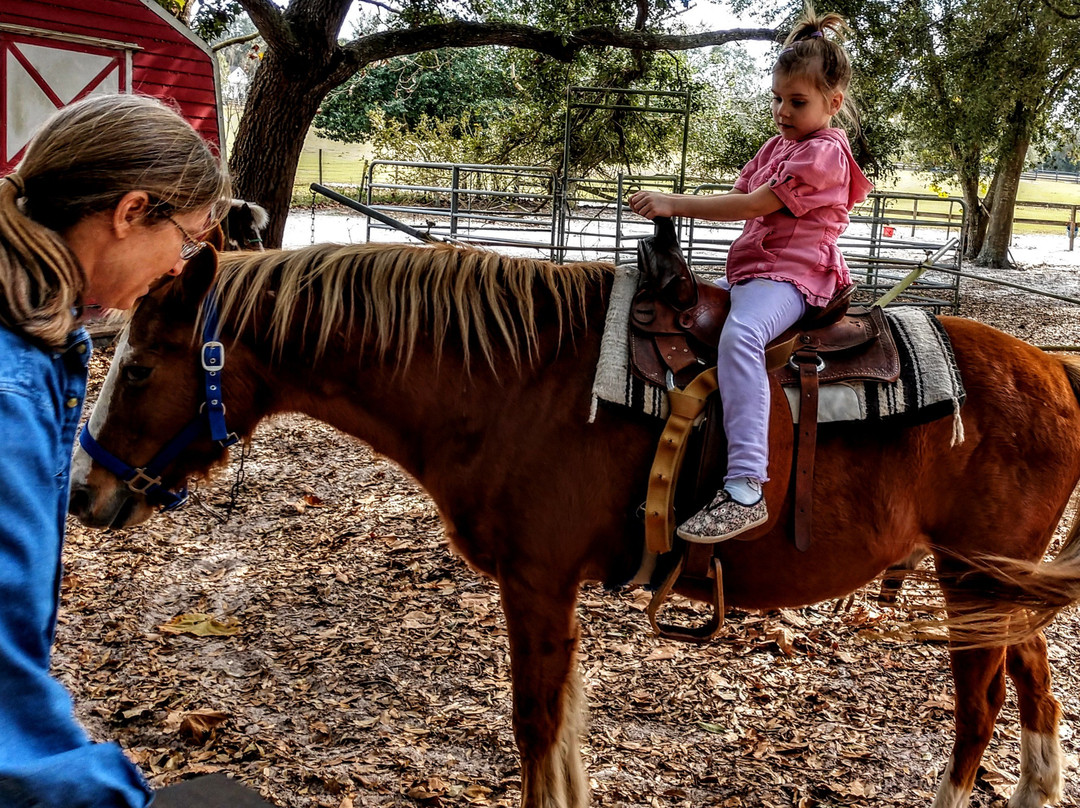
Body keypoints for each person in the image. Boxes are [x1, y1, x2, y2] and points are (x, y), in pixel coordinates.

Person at [0, 93, 229, 808]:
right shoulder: (10, 386)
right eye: (188, 240)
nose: (177, 266)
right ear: (131, 212)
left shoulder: (33, 339)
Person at [629, 5, 872, 544]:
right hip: (757, 273)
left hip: (794, 277)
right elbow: (741, 197)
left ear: (833, 103)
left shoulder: (825, 153)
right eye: (778, 99)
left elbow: (753, 205)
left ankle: (745, 486)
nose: (784, 111)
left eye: (798, 102)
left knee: (742, 335)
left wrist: (671, 202)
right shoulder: (776, 146)